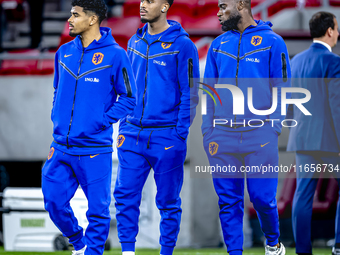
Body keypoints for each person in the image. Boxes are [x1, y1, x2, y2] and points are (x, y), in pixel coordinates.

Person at [41, 0, 136, 254]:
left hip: (95, 149)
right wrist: (56, 116)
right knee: (53, 200)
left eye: (75, 15)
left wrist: (102, 121)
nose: (69, 20)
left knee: (98, 211)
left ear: (92, 19)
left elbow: (129, 98)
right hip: (61, 146)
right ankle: (79, 243)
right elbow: (57, 90)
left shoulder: (117, 55)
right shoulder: (63, 53)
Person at [201, 0, 291, 254]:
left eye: (222, 6)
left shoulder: (273, 42)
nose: (218, 12)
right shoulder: (218, 45)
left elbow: (283, 88)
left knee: (263, 199)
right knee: (229, 202)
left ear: (241, 5)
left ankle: (273, 243)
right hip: (222, 135)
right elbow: (209, 91)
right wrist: (208, 131)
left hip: (260, 133)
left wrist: (273, 127)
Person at [113, 0, 199, 253]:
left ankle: (166, 252)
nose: (142, 5)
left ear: (164, 6)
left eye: (150, 1)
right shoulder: (133, 42)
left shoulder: (183, 45)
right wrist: (123, 122)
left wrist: (180, 133)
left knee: (168, 202)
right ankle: (127, 250)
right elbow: (126, 87)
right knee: (125, 197)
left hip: (167, 136)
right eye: (141, 0)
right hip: (131, 134)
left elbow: (190, 93)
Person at [286, 11, 340, 255]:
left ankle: (303, 251)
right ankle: (338, 245)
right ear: (329, 31)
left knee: (303, 195)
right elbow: (336, 105)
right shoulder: (334, 62)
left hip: (302, 138)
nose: (338, 33)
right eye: (337, 28)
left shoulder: (295, 61)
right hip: (330, 141)